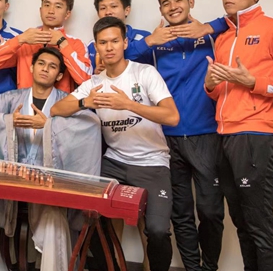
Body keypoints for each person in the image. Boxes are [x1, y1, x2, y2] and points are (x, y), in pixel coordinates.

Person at [0, 47, 101, 271]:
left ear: (59, 75)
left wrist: (49, 125)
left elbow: (90, 125)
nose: (45, 69)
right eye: (41, 63)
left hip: (48, 184)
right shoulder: (12, 98)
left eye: (52, 66)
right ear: (32, 67)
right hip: (12, 181)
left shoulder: (65, 102)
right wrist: (7, 121)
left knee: (53, 214)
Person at [51, 16, 179, 271]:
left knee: (157, 231)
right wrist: (85, 102)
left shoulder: (144, 73)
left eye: (114, 41)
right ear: (96, 46)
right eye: (102, 42)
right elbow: (56, 109)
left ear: (124, 43)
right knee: (92, 220)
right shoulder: (94, 83)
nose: (109, 47)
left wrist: (129, 105)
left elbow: (172, 117)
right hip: (114, 162)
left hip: (152, 162)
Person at [204, 0, 273, 271]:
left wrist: (254, 82)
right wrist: (210, 85)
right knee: (242, 222)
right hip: (225, 135)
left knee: (259, 222)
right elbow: (222, 93)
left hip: (256, 135)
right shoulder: (223, 38)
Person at [141, 0, 225, 271]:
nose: (173, 6)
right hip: (167, 138)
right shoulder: (154, 45)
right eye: (166, 2)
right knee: (181, 213)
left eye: (179, 0)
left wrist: (208, 27)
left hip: (206, 135)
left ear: (191, 2)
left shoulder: (213, 36)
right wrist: (149, 41)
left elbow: (237, 18)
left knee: (211, 211)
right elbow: (120, 59)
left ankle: (209, 267)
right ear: (160, 9)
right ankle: (192, 268)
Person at [0, 0, 91, 93]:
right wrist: (20, 39)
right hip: (24, 102)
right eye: (47, 5)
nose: (51, 11)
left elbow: (86, 80)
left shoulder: (75, 44)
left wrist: (62, 43)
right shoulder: (25, 40)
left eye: (58, 6)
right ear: (40, 10)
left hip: (61, 103)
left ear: (67, 14)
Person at [87, 0, 162, 73]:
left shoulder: (145, 37)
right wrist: (96, 74)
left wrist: (146, 42)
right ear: (98, 13)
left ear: (126, 10)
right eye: (103, 8)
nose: (108, 12)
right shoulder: (92, 45)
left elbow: (156, 69)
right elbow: (88, 76)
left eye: (113, 6)